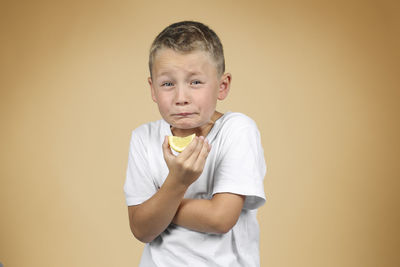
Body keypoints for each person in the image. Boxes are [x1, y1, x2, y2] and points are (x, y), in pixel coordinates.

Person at [124, 21, 266, 267]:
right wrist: (177, 182)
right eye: (168, 84)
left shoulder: (237, 130)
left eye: (195, 82)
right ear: (153, 89)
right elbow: (141, 229)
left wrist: (160, 204)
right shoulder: (143, 138)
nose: (181, 98)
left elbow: (220, 218)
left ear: (222, 86)